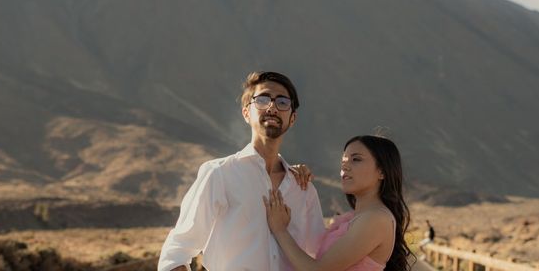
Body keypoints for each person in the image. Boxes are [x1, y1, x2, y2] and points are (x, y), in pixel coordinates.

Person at [158, 71, 325, 271]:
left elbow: (320, 258)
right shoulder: (220, 174)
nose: (272, 107)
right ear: (246, 113)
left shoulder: (304, 188)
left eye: (282, 102)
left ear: (293, 117)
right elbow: (178, 249)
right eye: (262, 99)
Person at [264, 135, 413, 271]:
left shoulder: (376, 219)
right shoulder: (355, 219)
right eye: (343, 160)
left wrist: (280, 230)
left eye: (356, 159)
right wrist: (292, 172)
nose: (345, 166)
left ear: (382, 171)